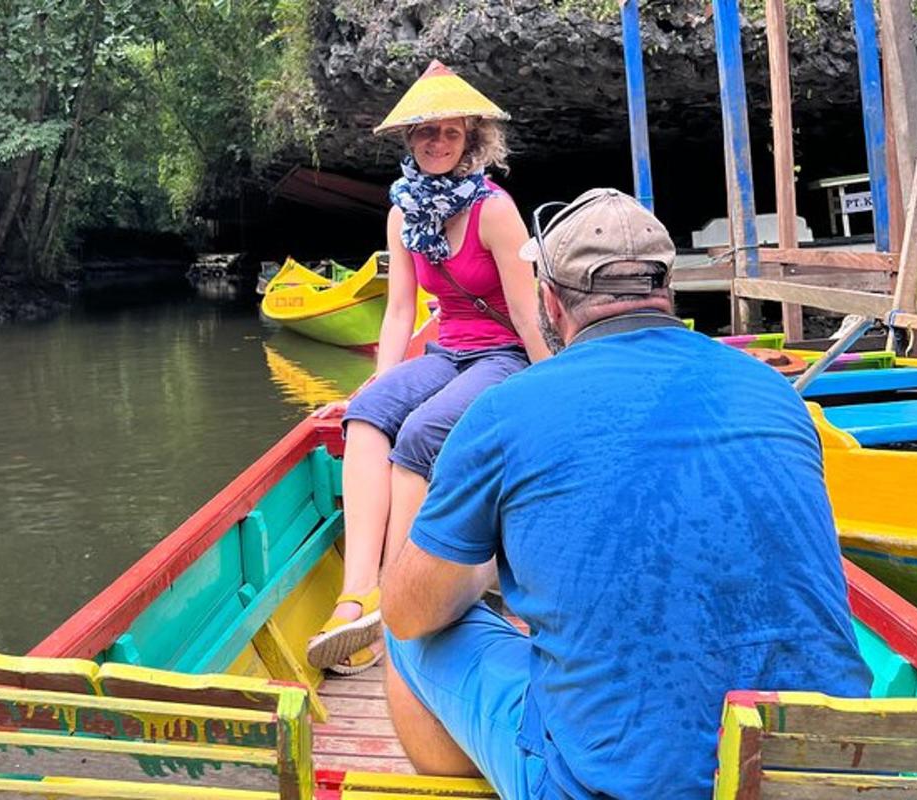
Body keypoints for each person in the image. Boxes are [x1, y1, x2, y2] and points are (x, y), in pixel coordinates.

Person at [380, 189, 872, 798]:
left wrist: (481, 572)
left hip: (608, 785)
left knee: (403, 632)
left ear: (551, 302)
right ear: (666, 291)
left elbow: (409, 610)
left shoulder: (504, 410)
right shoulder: (775, 393)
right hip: (819, 772)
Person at [306, 61, 550, 675]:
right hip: (447, 348)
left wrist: (557, 386)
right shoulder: (404, 212)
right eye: (423, 133)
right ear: (409, 142)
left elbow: (527, 314)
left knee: (420, 433)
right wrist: (379, 382)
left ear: (471, 138)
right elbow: (400, 313)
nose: (435, 143)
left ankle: (395, 597)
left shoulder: (494, 209)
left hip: (505, 353)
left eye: (448, 132)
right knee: (366, 416)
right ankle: (354, 594)